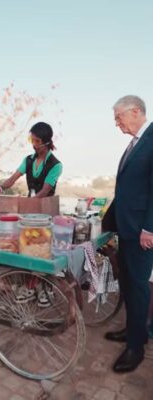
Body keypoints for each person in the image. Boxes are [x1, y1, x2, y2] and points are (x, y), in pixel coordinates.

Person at [102, 95, 153, 373]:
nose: (117, 124)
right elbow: (127, 188)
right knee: (129, 284)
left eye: (119, 118)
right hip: (127, 227)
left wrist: (150, 228)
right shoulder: (135, 144)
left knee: (138, 285)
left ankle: (136, 348)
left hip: (141, 231)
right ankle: (134, 331)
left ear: (135, 112)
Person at [0, 121, 63, 198]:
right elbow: (12, 179)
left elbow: (44, 192)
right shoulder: (28, 160)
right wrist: (0, 188)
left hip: (45, 206)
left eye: (37, 141)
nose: (34, 145)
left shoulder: (56, 165)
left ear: (46, 142)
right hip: (30, 203)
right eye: (32, 140)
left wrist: (28, 203)